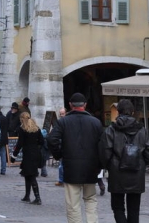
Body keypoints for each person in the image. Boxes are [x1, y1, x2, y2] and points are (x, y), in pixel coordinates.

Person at [47, 92, 103, 223]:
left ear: (70, 105)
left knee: (73, 203)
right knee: (90, 199)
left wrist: (59, 154)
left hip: (71, 166)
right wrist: (100, 163)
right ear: (85, 105)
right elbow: (103, 145)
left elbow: (51, 139)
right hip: (90, 166)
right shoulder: (95, 122)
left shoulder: (63, 122)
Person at [100, 99, 149, 223]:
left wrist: (109, 166)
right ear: (133, 112)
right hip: (136, 172)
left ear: (118, 112)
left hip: (117, 171)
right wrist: (142, 163)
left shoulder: (111, 130)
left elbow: (105, 152)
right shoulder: (142, 130)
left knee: (118, 207)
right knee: (134, 208)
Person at [13, 112, 45, 205]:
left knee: (31, 176)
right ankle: (27, 196)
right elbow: (42, 141)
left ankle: (37, 198)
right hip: (36, 153)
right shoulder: (36, 128)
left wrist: (14, 155)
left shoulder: (22, 129)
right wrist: (35, 147)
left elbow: (19, 144)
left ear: (22, 119)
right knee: (28, 174)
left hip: (28, 154)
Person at [56, 107, 67, 186]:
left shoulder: (67, 122)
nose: (61, 115)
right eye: (60, 114)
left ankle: (63, 180)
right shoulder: (59, 122)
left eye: (62, 114)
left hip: (66, 145)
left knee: (62, 165)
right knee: (61, 165)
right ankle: (61, 180)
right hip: (61, 145)